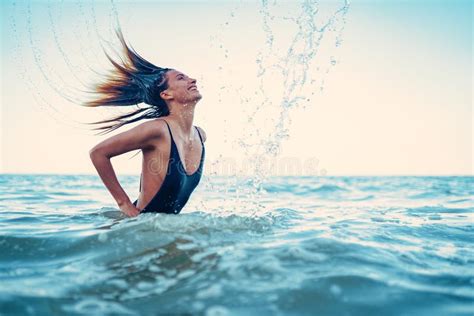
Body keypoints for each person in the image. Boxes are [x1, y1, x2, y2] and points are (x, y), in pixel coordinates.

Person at [86, 28, 206, 217]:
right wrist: (124, 204)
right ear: (166, 94)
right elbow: (98, 153)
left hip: (163, 231)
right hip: (139, 231)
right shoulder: (158, 130)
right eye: (181, 78)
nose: (193, 79)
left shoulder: (200, 135)